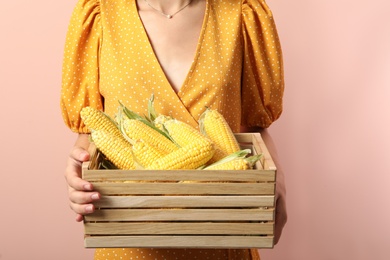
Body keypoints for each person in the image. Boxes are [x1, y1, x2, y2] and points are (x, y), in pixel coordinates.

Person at [61, 0, 287, 259]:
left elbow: (255, 130)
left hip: (222, 234)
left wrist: (277, 180)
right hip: (129, 241)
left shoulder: (242, 14)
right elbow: (89, 136)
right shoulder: (98, 15)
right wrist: (77, 172)